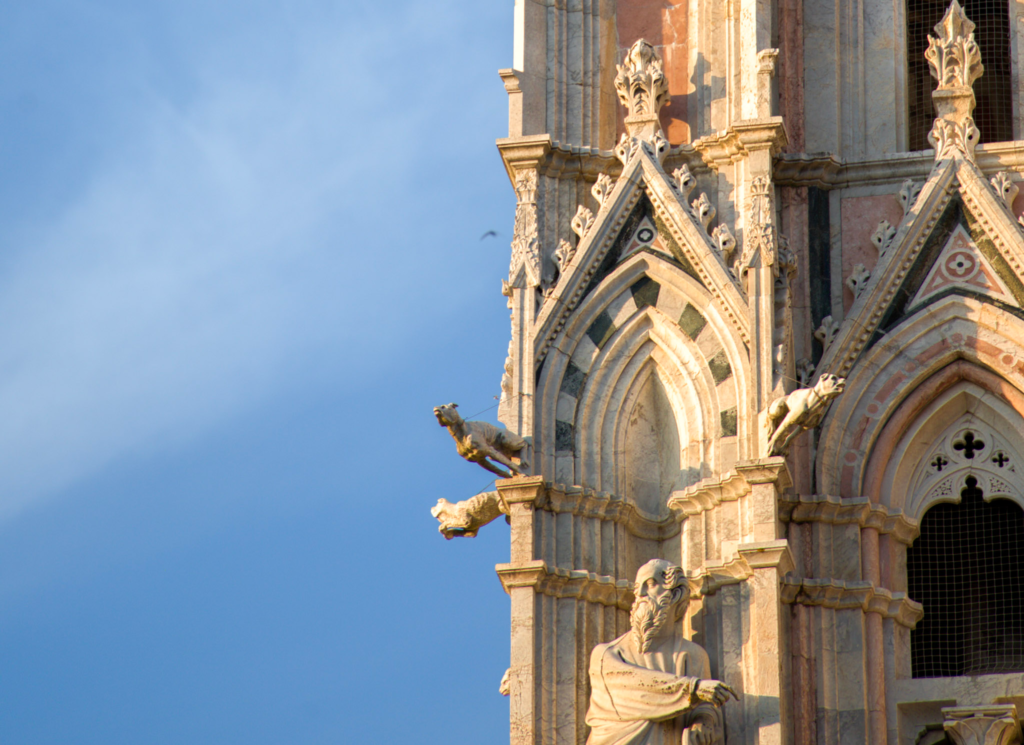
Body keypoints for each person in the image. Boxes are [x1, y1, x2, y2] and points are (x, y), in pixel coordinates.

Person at [586, 559, 737, 745]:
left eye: (650, 584)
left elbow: (706, 710)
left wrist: (703, 724)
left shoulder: (693, 655)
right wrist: (693, 689)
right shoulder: (606, 655)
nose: (640, 594)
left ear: (675, 595)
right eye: (637, 588)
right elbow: (628, 688)